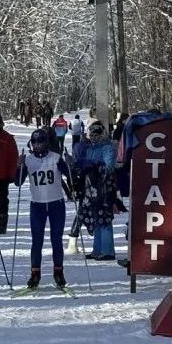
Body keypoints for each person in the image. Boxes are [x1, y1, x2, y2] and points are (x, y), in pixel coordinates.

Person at [15, 129, 72, 289]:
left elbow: (70, 175)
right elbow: (17, 182)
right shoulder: (29, 160)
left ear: (46, 142)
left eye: (41, 142)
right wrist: (19, 166)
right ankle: (35, 273)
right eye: (35, 142)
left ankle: (58, 272)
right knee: (37, 241)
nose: (38, 145)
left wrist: (70, 163)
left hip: (56, 204)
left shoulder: (55, 157)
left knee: (56, 240)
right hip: (37, 205)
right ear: (31, 144)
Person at [75, 120, 117, 260]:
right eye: (92, 135)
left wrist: (95, 165)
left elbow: (109, 166)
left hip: (103, 187)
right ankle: (97, 249)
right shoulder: (89, 148)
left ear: (102, 134)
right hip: (90, 188)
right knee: (95, 217)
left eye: (97, 134)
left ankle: (107, 250)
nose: (94, 137)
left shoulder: (107, 148)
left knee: (104, 218)